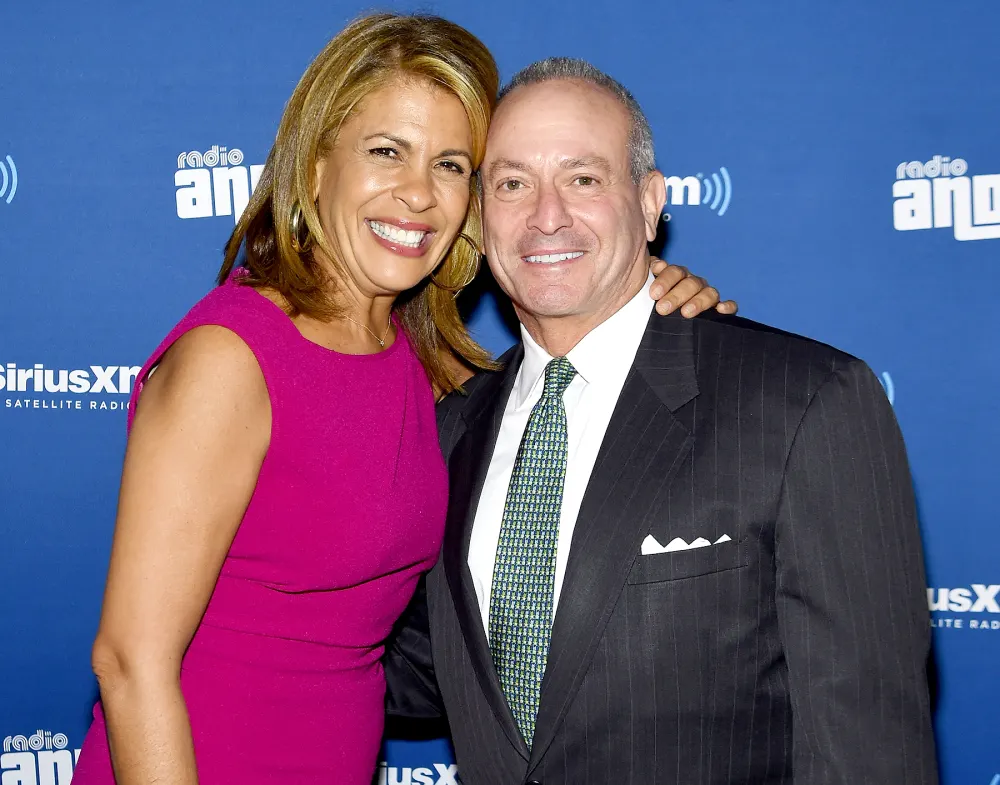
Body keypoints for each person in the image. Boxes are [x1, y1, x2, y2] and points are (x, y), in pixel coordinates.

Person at [71, 16, 732, 785]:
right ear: (317, 165)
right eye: (387, 151)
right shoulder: (231, 359)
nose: (418, 193)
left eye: (450, 165)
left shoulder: (419, 362)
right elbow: (129, 659)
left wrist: (650, 298)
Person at [385, 58, 939, 785]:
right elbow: (416, 671)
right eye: (512, 183)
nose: (547, 215)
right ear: (478, 215)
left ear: (649, 203)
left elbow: (868, 745)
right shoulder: (451, 426)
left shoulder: (804, 402)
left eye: (584, 179)